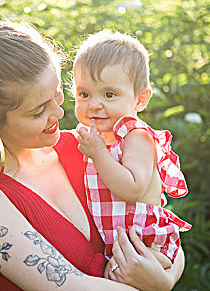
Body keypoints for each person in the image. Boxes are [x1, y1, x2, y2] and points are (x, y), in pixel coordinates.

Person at [0, 0, 185, 290]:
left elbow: (159, 227)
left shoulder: (83, 149)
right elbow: (70, 286)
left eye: (56, 94)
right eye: (38, 111)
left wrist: (165, 277)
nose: (59, 112)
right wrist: (158, 286)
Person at [73, 30, 191, 273]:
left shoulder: (136, 137)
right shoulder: (97, 140)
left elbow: (132, 189)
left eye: (109, 94)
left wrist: (97, 153)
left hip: (148, 245)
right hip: (121, 246)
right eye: (84, 94)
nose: (94, 104)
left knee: (115, 274)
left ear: (140, 99)